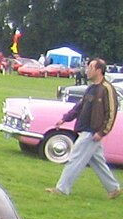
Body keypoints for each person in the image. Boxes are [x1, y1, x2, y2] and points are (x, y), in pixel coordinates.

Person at [46, 58, 122, 199]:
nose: (87, 70)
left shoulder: (107, 89)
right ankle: (114, 188)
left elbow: (111, 113)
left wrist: (102, 132)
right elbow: (80, 107)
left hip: (92, 132)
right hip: (87, 130)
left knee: (74, 158)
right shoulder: (91, 88)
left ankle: (62, 189)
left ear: (99, 70)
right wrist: (65, 118)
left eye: (90, 67)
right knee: (97, 161)